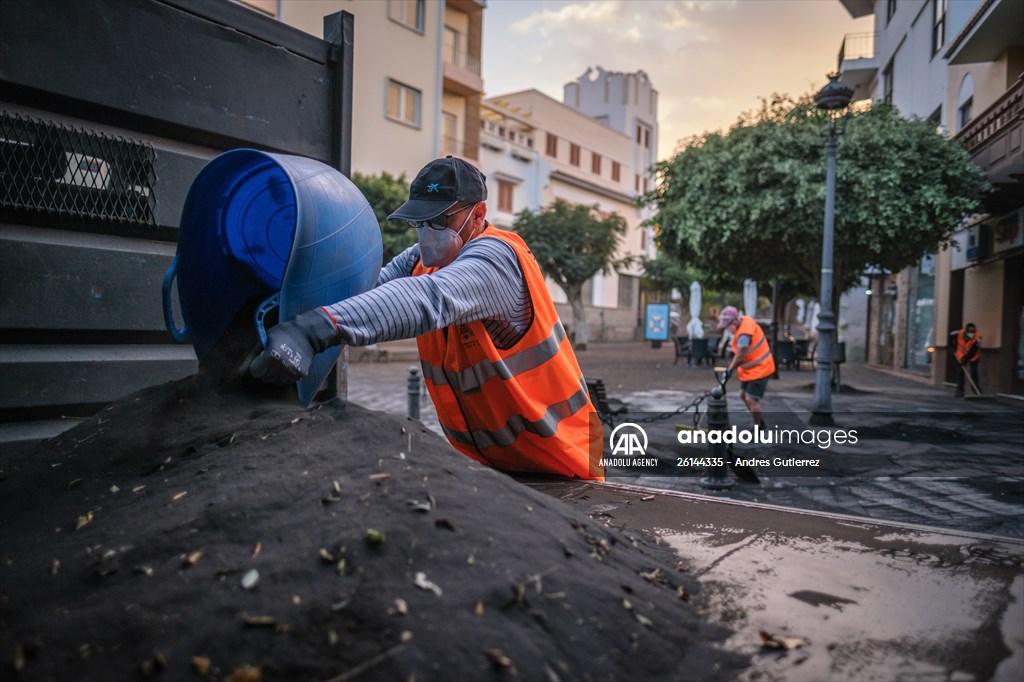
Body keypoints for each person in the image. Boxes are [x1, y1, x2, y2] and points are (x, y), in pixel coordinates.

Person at [248, 155, 602, 480]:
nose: (426, 232)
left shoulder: (498, 259)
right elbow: (370, 295)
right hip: (496, 471)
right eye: (419, 221)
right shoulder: (422, 260)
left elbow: (428, 298)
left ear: (478, 215)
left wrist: (313, 330)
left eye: (438, 220)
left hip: (562, 463)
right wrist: (284, 313)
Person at [717, 306, 775, 429]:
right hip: (752, 369)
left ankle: (758, 427)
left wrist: (730, 370)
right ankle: (759, 421)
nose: (727, 330)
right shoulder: (743, 323)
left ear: (734, 322)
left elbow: (740, 356)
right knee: (742, 394)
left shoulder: (744, 334)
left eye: (727, 326)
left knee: (751, 399)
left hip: (761, 368)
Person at [951, 323, 982, 397]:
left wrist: (966, 358)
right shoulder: (959, 333)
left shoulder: (978, 338)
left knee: (974, 372)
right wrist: (952, 347)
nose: (971, 333)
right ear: (966, 331)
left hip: (973, 356)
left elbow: (974, 350)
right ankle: (960, 390)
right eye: (969, 331)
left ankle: (976, 390)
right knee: (960, 373)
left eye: (972, 332)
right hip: (960, 355)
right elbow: (950, 337)